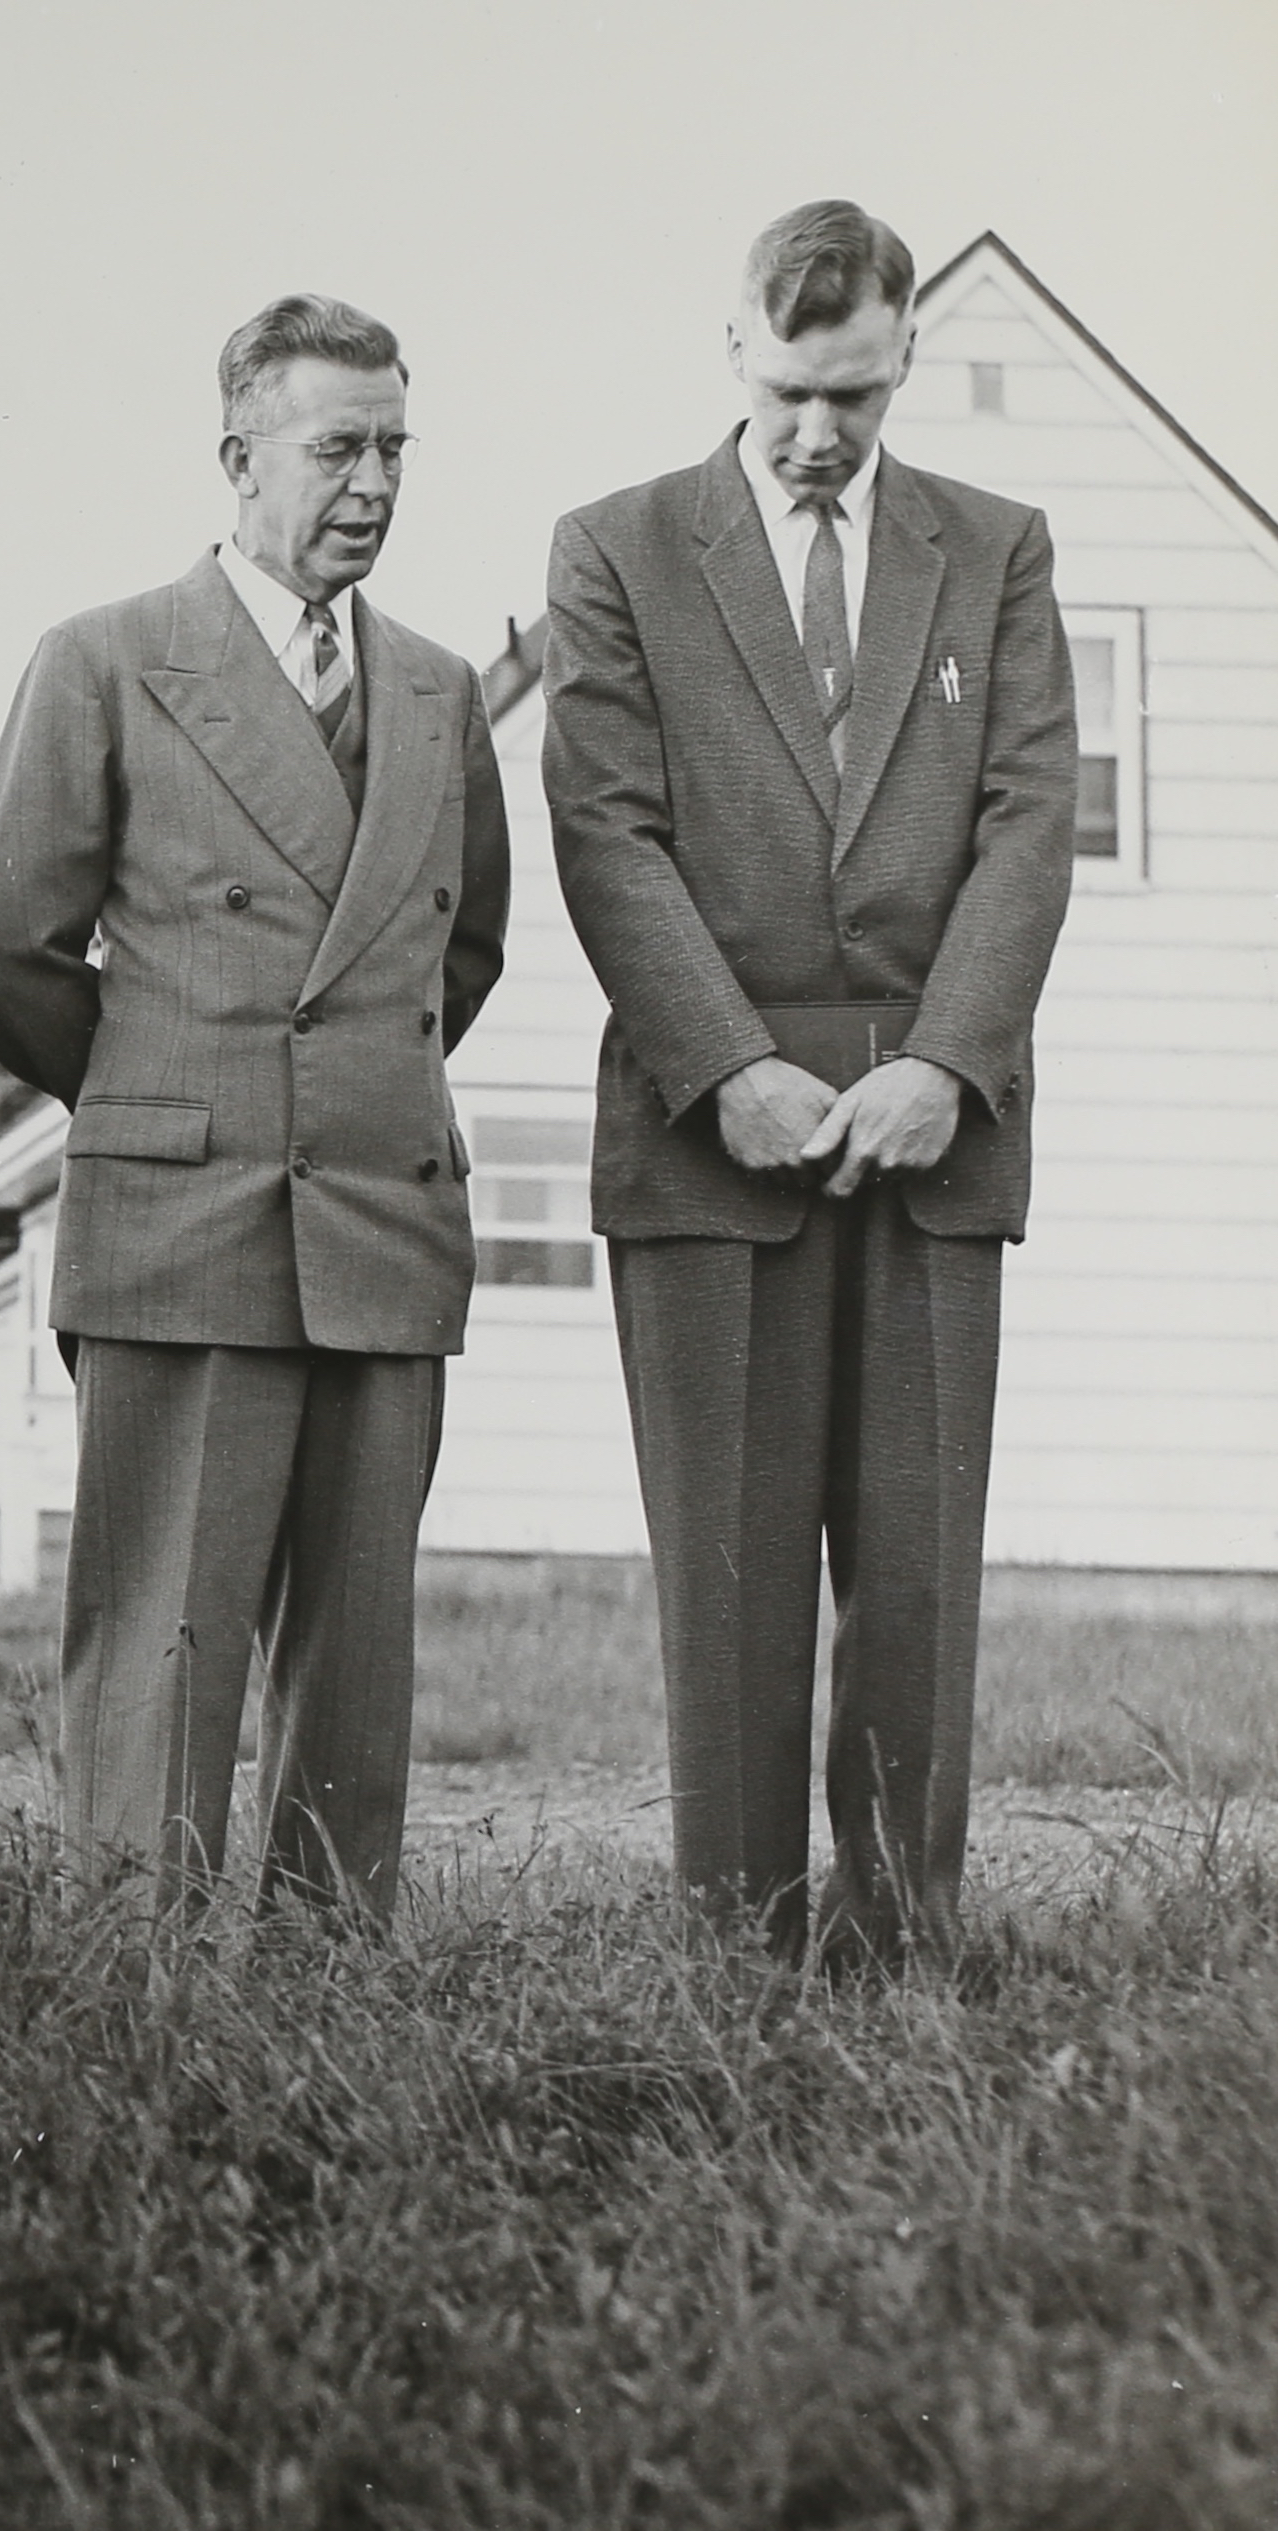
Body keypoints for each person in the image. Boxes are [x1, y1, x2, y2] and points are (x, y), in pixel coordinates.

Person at [545, 201, 1075, 1965]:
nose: (818, 432)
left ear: (906, 354)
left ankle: (908, 1958)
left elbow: (1026, 825)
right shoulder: (616, 549)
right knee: (736, 1584)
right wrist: (733, 1072)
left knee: (918, 1586)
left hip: (935, 1143)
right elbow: (605, 836)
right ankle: (733, 1964)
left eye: (853, 393)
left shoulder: (995, 552)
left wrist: (947, 1061)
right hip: (714, 1154)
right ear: (732, 354)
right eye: (787, 390)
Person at [0, 295, 508, 1926]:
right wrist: (162, 1087)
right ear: (239, 456)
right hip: (183, 1221)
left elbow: (452, 960)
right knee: (165, 1647)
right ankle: (138, 1999)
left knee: (358, 1662)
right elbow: (4, 941)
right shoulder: (110, 661)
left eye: (397, 448)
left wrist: (336, 1090)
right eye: (339, 448)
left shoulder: (439, 692)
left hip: (382, 1225)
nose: (375, 484)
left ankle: (333, 2004)